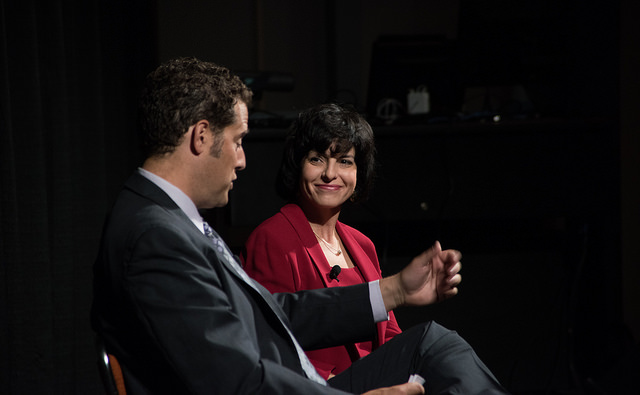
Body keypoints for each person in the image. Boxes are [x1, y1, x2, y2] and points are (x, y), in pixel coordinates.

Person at [91, 56, 508, 395]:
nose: (242, 159)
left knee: (430, 343)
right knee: (433, 346)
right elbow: (235, 378)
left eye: (346, 162)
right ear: (202, 137)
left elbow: (272, 317)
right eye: (238, 141)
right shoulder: (155, 236)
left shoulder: (165, 221)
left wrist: (396, 289)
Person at [242, 103, 403, 379]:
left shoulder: (363, 244)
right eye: (317, 159)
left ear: (358, 173)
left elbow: (389, 334)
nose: (330, 173)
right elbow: (271, 342)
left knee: (434, 346)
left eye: (344, 161)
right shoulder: (272, 238)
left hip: (377, 380)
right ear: (297, 165)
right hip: (322, 388)